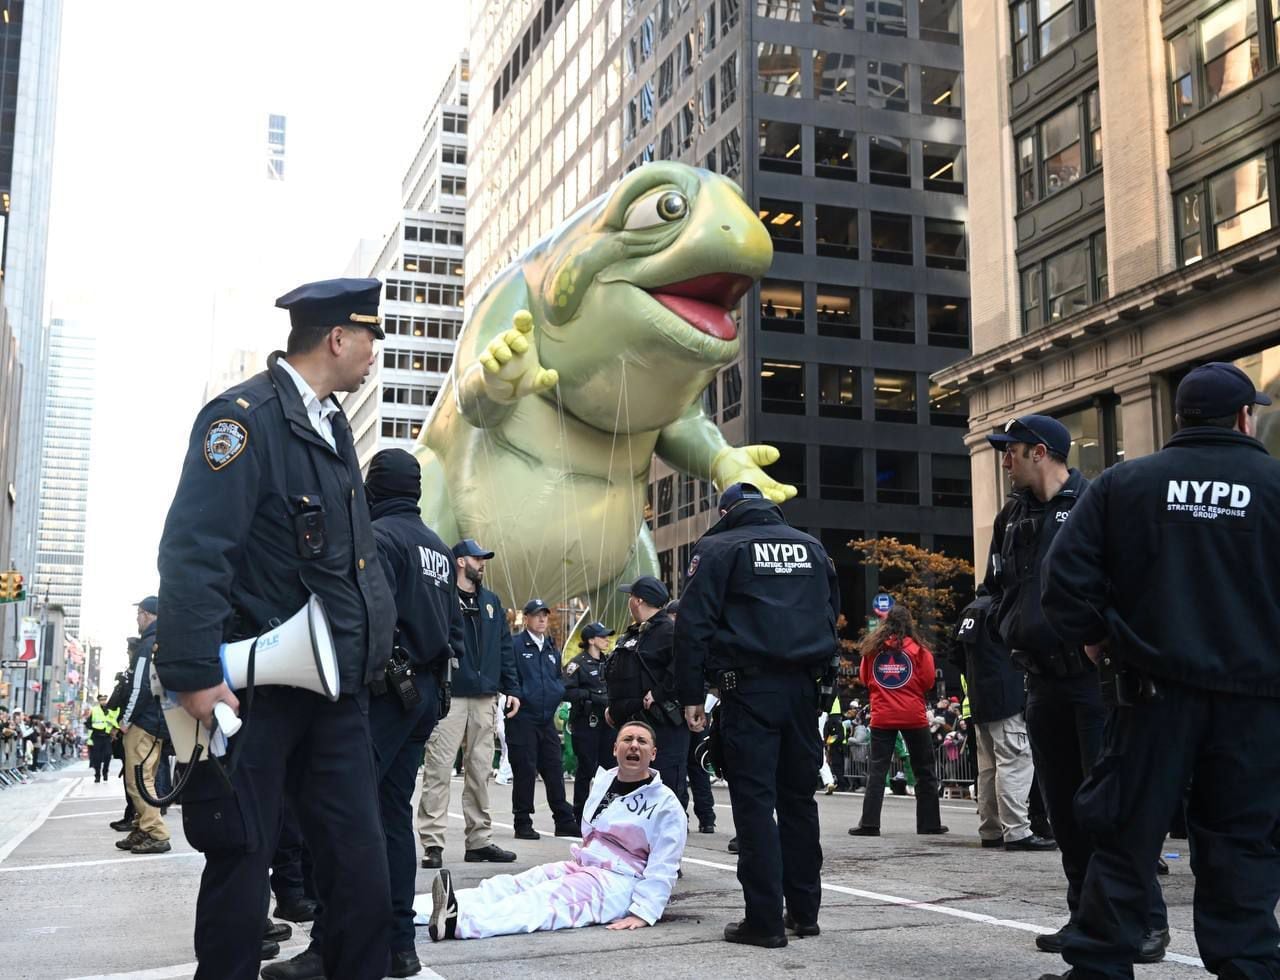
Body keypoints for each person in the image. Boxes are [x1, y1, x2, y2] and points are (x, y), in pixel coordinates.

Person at [154, 277, 397, 980]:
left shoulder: (332, 425)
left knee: (361, 870)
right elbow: (196, 549)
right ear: (337, 339)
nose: (375, 352)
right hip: (255, 696)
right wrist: (196, 676)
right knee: (241, 861)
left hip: (335, 689)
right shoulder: (242, 421)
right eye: (370, 337)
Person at [1038, 362, 1280, 980]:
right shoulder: (1274, 483)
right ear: (1244, 416)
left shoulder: (1127, 483)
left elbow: (1063, 580)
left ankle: (1101, 965)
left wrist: (1098, 639)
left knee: (1124, 832)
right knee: (1242, 838)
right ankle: (1249, 964)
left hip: (1151, 692)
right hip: (1254, 698)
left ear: (1179, 416)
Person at [983, 414, 1167, 961]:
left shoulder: (1098, 503)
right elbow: (995, 587)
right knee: (1063, 809)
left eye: (1010, 450)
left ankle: (1146, 921)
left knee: (1109, 806)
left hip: (1094, 682)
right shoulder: (1011, 515)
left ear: (1041, 452)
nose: (1003, 459)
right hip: (1038, 680)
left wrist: (1106, 640)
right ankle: (1085, 916)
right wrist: (1003, 623)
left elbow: (1133, 581)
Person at [674, 482, 840, 948]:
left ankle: (764, 920)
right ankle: (804, 912)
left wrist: (690, 693)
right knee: (799, 802)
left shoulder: (719, 547)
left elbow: (693, 625)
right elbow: (832, 614)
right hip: (804, 691)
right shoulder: (812, 548)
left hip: (748, 690)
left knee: (754, 803)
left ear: (727, 510)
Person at [421, 720, 687, 941]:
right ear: (615, 748)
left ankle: (458, 923)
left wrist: (644, 911)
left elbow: (665, 865)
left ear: (653, 754)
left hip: (621, 880)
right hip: (585, 864)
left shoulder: (665, 804)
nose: (634, 745)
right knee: (514, 884)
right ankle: (410, 910)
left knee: (542, 900)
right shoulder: (604, 781)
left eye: (642, 741)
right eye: (627, 739)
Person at [417, 538, 522, 868]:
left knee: (480, 771)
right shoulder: (441, 597)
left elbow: (504, 648)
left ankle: (479, 840)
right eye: (478, 558)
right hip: (450, 695)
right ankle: (433, 843)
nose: (483, 563)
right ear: (460, 561)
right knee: (438, 769)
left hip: (485, 697)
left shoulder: (491, 602)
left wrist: (512, 688)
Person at [954, 588, 1055, 851]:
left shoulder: (970, 611)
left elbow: (955, 655)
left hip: (979, 700)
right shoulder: (1004, 608)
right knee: (1015, 763)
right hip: (1006, 697)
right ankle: (1017, 832)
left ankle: (991, 829)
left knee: (987, 769)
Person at [848, 605, 948, 837]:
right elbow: (928, 681)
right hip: (914, 715)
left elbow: (865, 678)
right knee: (924, 769)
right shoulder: (919, 650)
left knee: (877, 770)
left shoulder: (873, 650)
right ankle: (929, 823)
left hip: (882, 715)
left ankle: (870, 823)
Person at [606, 575, 690, 812]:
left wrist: (661, 693)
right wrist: (613, 706)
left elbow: (687, 667)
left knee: (663, 792)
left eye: (631, 597)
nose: (629, 602)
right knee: (632, 792)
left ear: (638, 600)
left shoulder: (669, 632)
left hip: (661, 727)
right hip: (632, 723)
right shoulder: (637, 633)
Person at [507, 598, 577, 838]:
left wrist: (557, 691)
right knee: (525, 770)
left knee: (553, 768)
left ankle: (563, 819)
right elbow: (509, 675)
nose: (542, 619)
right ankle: (522, 821)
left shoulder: (550, 647)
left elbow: (557, 677)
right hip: (523, 716)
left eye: (545, 615)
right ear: (526, 618)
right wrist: (520, 695)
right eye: (536, 615)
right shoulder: (516, 645)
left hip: (546, 717)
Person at [116, 597, 171, 854]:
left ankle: (156, 832)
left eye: (138, 614)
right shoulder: (164, 642)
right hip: (159, 720)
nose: (137, 619)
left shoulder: (145, 646)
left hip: (143, 722)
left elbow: (139, 687)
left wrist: (125, 721)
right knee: (145, 777)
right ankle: (142, 827)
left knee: (138, 780)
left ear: (147, 615)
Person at [669, 599, 717, 834]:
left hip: (686, 713)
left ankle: (702, 817)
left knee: (691, 766)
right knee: (695, 766)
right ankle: (702, 818)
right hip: (691, 712)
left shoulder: (681, 642)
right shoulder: (696, 641)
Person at [563, 621, 616, 824]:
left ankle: (606, 813)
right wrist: (591, 696)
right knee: (586, 769)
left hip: (608, 723)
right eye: (602, 636)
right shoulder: (577, 664)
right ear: (591, 640)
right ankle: (580, 815)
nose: (606, 640)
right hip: (587, 723)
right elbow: (566, 690)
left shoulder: (609, 661)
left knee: (610, 770)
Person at [85, 693, 119, 783]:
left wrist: (115, 729)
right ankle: (97, 775)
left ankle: (105, 772)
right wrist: (94, 728)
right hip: (97, 736)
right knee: (97, 757)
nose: (103, 701)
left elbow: (114, 721)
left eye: (105, 699)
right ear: (99, 701)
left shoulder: (110, 710)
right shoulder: (95, 710)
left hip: (107, 736)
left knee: (108, 755)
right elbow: (88, 723)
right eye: (101, 700)